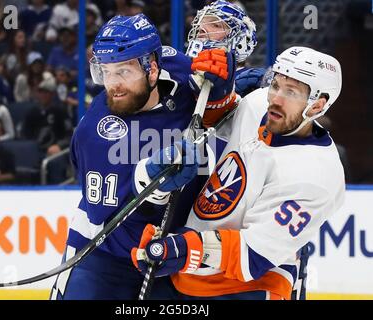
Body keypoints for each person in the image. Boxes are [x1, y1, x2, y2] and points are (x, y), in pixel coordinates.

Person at [132, 46, 345, 300]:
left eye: (291, 92)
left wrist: (183, 248)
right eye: (276, 85)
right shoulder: (259, 104)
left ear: (317, 104)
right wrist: (218, 95)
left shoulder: (317, 177)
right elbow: (221, 122)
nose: (275, 98)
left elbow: (252, 256)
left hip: (248, 289)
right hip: (191, 277)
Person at [50, 13, 236, 300]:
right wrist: (153, 179)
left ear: (152, 68)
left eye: (123, 71)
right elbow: (113, 216)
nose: (113, 84)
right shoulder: (95, 135)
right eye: (106, 72)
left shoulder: (175, 65)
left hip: (169, 257)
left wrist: (223, 93)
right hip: (103, 258)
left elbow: (218, 111)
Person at [187, 0, 265, 99]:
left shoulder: (250, 83)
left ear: (240, 42)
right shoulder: (184, 69)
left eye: (216, 25)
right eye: (201, 23)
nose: (201, 28)